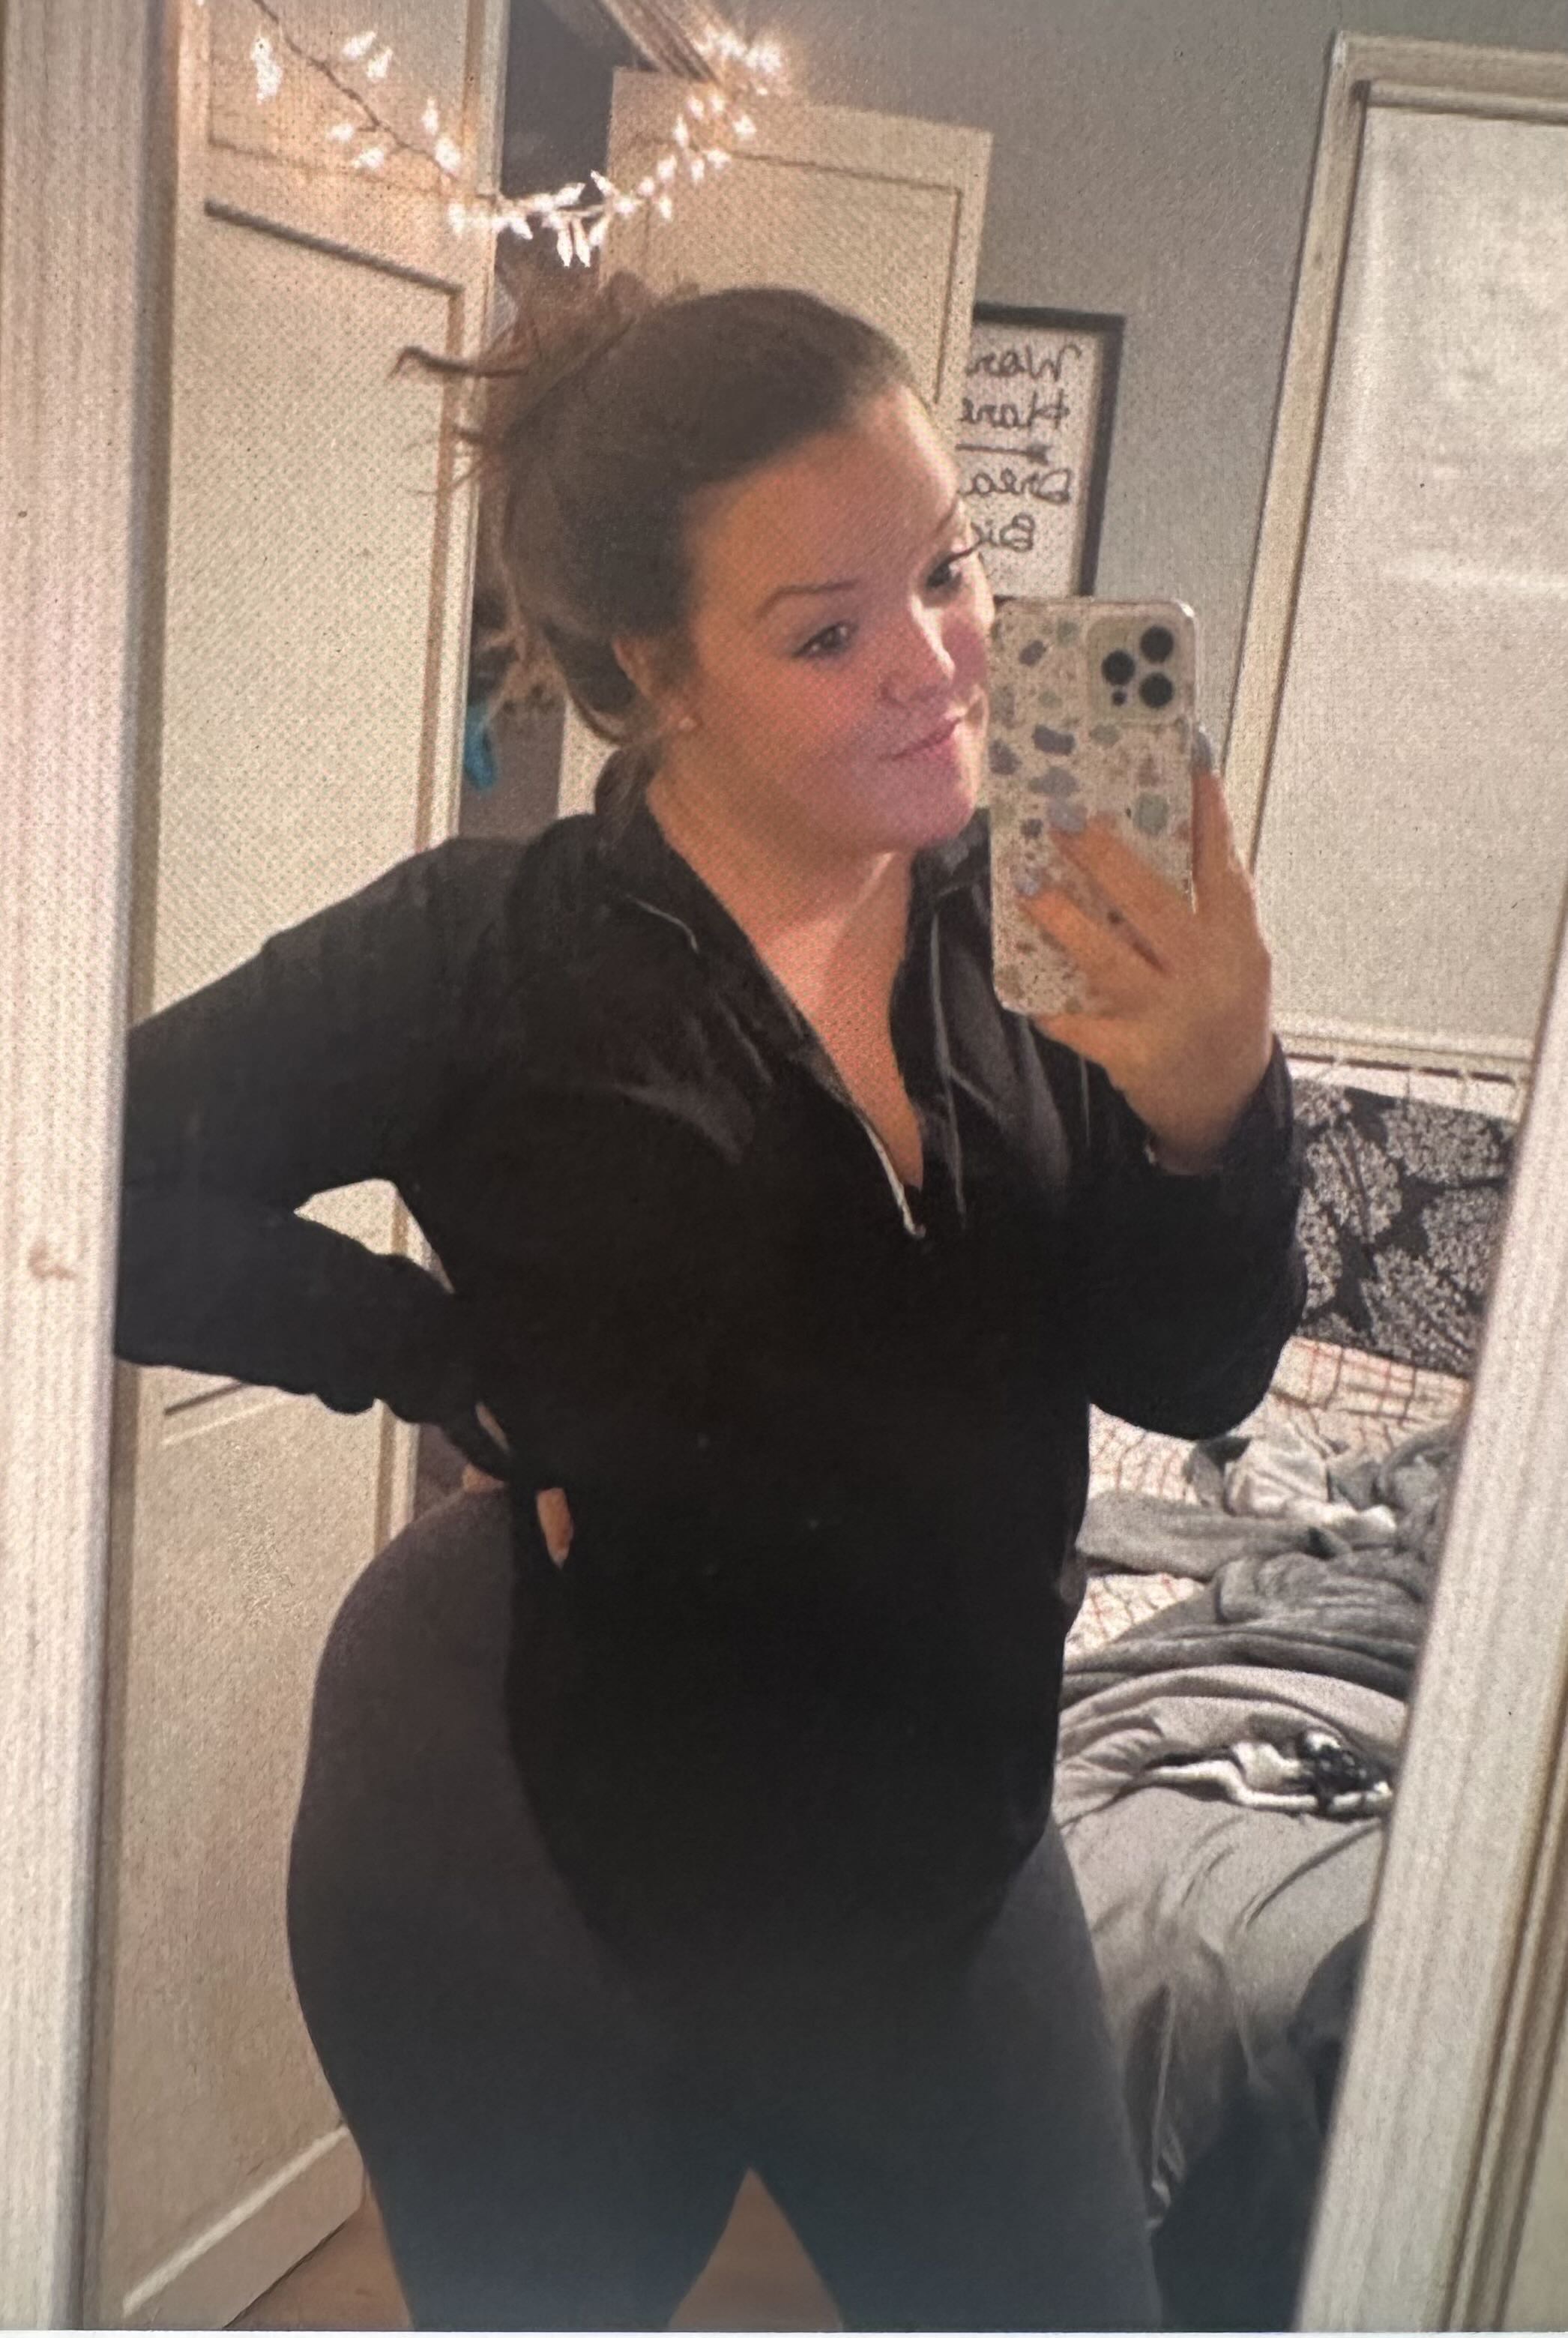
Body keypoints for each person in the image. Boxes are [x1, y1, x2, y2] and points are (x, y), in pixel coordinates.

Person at [114, 269, 1305, 2331]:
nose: (939, 664)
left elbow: (1189, 1376)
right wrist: (426, 1351)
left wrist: (1211, 1111)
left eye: (948, 570)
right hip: (531, 1861)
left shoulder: (1038, 919)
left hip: (949, 1858)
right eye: (828, 632)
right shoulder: (482, 956)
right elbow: (70, 1174)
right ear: (654, 674)